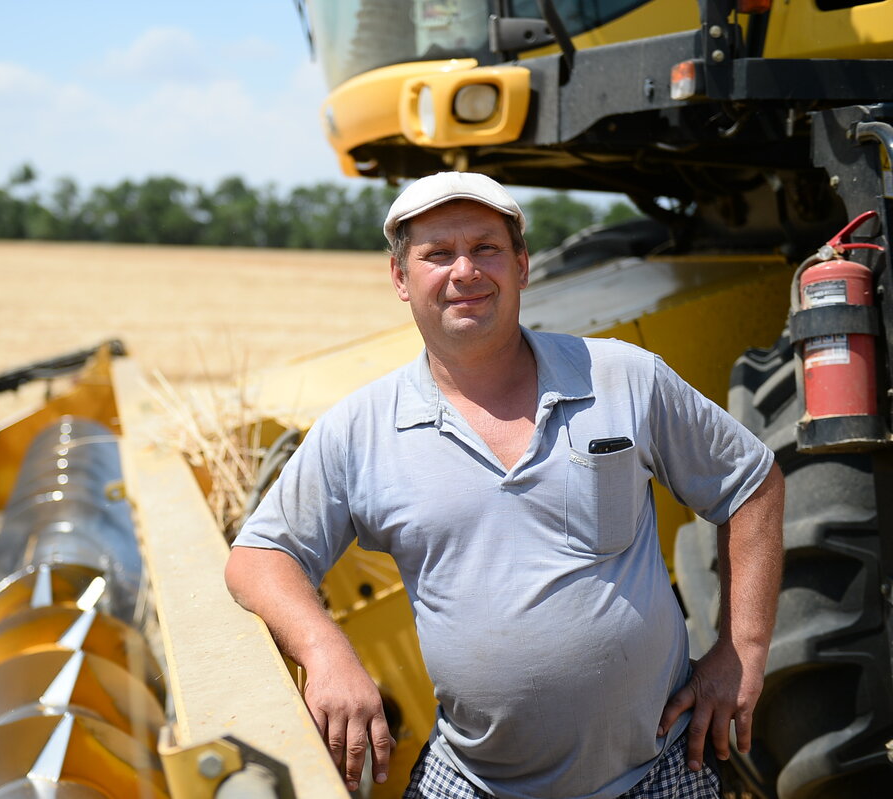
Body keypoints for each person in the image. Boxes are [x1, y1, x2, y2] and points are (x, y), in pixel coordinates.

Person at [224, 172, 784, 799]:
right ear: (401, 280)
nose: (465, 271)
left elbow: (751, 483)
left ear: (521, 264)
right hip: (474, 781)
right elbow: (258, 556)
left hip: (658, 771)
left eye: (486, 248)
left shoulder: (624, 377)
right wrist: (324, 650)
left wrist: (743, 648)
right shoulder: (360, 429)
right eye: (437, 254)